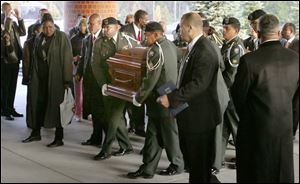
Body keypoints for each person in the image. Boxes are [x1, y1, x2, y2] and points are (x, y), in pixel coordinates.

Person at [231, 14, 299, 183]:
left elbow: (238, 96)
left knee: (254, 173)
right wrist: (292, 124)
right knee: (281, 173)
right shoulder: (295, 59)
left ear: (258, 32)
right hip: (284, 128)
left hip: (255, 129)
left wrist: (248, 118)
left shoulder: (249, 60)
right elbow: (297, 100)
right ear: (278, 32)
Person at [158, 12, 221, 183]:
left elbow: (198, 85)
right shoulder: (195, 47)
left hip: (201, 118)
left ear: (190, 28)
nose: (179, 31)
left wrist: (171, 98)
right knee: (196, 166)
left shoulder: (204, 50)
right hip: (192, 116)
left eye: (181, 27)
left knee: (199, 167)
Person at [127, 22, 184, 179]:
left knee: (169, 134)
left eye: (147, 35)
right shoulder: (171, 45)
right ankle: (148, 168)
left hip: (161, 97)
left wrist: (139, 97)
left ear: (156, 34)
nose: (145, 37)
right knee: (153, 133)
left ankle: (177, 164)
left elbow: (151, 79)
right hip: (170, 93)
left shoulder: (155, 50)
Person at [22, 13, 73, 148]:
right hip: (40, 80)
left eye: (51, 27)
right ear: (41, 27)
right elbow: (35, 59)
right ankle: (35, 132)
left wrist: (67, 81)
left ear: (54, 26)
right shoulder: (39, 38)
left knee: (57, 108)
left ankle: (59, 137)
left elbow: (67, 59)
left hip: (56, 79)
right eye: (45, 27)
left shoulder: (61, 37)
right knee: (38, 105)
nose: (48, 30)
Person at [93, 17, 139, 160]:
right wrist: (103, 84)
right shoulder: (100, 43)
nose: (106, 30)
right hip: (109, 85)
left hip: (125, 84)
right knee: (114, 117)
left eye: (109, 27)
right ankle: (126, 146)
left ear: (117, 27)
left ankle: (106, 149)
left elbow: (138, 57)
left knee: (113, 117)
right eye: (104, 27)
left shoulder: (128, 39)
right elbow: (96, 66)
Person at [76, 14, 104, 147]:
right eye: (88, 24)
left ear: (99, 24)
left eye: (92, 24)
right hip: (89, 81)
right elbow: (83, 59)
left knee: (101, 111)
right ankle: (95, 137)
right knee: (93, 110)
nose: (89, 26)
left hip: (100, 83)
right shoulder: (87, 40)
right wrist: (79, 73)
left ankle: (105, 139)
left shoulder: (105, 40)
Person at [220, 17, 245, 169]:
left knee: (236, 129)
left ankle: (244, 159)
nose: (223, 30)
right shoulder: (228, 45)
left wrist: (220, 91)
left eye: (227, 28)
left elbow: (231, 75)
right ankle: (218, 160)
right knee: (223, 128)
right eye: (223, 27)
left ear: (236, 30)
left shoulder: (236, 47)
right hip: (226, 93)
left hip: (231, 94)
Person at [121, 9, 149, 136]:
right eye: (145, 19)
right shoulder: (125, 30)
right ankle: (131, 125)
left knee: (140, 99)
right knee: (129, 99)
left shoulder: (146, 32)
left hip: (141, 71)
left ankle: (139, 127)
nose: (147, 22)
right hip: (129, 70)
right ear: (139, 20)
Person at [1, 2, 26, 120]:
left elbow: (23, 32)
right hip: (4, 60)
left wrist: (19, 17)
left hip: (15, 59)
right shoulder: (2, 22)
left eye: (9, 10)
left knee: (13, 85)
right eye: (6, 10)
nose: (9, 11)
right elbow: (4, 32)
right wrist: (6, 18)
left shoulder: (14, 23)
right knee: (5, 86)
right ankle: (5, 110)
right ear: (2, 10)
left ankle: (11, 108)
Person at [22, 23, 42, 128]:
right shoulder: (28, 43)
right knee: (31, 100)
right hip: (31, 76)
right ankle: (30, 122)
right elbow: (26, 62)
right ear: (35, 32)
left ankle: (39, 121)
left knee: (39, 100)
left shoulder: (43, 42)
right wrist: (26, 77)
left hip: (41, 76)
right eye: (41, 30)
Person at [71, 18, 88, 122]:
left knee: (87, 92)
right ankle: (78, 112)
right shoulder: (73, 39)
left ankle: (86, 112)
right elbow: (69, 55)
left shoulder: (90, 38)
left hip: (88, 68)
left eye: (85, 25)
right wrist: (75, 58)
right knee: (78, 92)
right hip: (77, 67)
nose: (83, 27)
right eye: (81, 25)